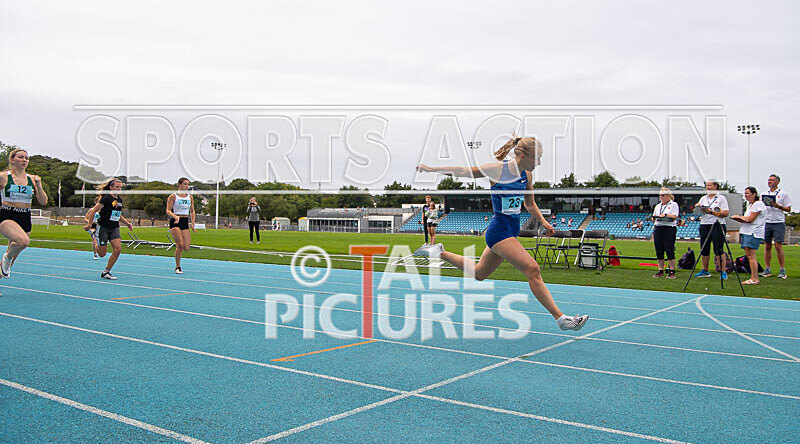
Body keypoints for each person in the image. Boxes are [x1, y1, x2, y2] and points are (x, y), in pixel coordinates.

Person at [415, 136, 588, 331]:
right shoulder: (497, 170)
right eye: (536, 158)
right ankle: (561, 319)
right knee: (533, 269)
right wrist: (431, 169)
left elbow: (529, 203)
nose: (538, 163)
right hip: (499, 231)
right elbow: (463, 171)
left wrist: (544, 222)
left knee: (480, 273)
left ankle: (437, 252)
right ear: (522, 155)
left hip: (511, 231)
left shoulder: (527, 175)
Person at [0, 148, 48, 281]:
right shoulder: (4, 177)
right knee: (23, 242)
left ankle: (7, 259)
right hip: (7, 216)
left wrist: (38, 185)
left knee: (12, 256)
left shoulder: (32, 179)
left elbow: (43, 201)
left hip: (25, 217)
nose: (24, 160)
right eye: (20, 157)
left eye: (26, 158)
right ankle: (7, 257)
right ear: (12, 160)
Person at [83, 178, 134, 280]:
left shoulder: (119, 200)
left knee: (118, 249)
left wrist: (127, 223)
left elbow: (118, 215)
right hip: (103, 228)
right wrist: (89, 224)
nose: (119, 189)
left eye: (120, 187)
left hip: (114, 227)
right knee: (102, 254)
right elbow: (93, 211)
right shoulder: (106, 198)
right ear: (111, 187)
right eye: (117, 187)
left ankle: (106, 271)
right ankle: (95, 238)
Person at [694, 180, 730, 279]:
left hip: (717, 224)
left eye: (710, 185)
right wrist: (698, 208)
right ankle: (705, 270)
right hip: (705, 224)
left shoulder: (721, 198)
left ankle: (723, 271)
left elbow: (725, 213)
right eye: (706, 186)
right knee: (704, 248)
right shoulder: (703, 198)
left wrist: (711, 211)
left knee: (718, 249)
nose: (708, 187)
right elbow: (698, 211)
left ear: (715, 186)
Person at [732, 186, 767, 284]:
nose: (746, 195)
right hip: (747, 231)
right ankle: (753, 277)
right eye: (745, 193)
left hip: (753, 232)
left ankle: (754, 278)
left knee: (751, 255)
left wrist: (738, 217)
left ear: (754, 194)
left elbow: (750, 219)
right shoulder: (751, 205)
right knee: (748, 255)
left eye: (748, 193)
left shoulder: (758, 204)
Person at [760, 174, 791, 279]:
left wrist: (778, 206)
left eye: (772, 180)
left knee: (778, 245)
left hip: (778, 221)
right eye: (769, 180)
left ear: (777, 182)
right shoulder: (764, 193)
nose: (770, 181)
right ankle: (767, 268)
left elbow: (788, 209)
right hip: (767, 221)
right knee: (767, 245)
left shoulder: (783, 194)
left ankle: (782, 270)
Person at [166, 177, 196, 274]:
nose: (186, 186)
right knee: (180, 245)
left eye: (188, 184)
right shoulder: (173, 196)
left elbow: (192, 210)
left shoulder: (190, 197)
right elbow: (168, 210)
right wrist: (175, 216)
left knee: (186, 247)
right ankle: (178, 267)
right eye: (185, 184)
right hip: (175, 221)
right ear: (179, 185)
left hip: (185, 221)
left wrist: (193, 224)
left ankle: (178, 264)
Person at [652, 187, 679, 278]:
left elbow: (675, 216)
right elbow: (654, 216)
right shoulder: (658, 206)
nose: (660, 197)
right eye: (659, 195)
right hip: (658, 227)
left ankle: (672, 271)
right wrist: (655, 217)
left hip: (669, 228)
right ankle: (660, 270)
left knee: (669, 249)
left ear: (668, 196)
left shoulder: (673, 204)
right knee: (659, 250)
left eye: (662, 195)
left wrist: (666, 215)